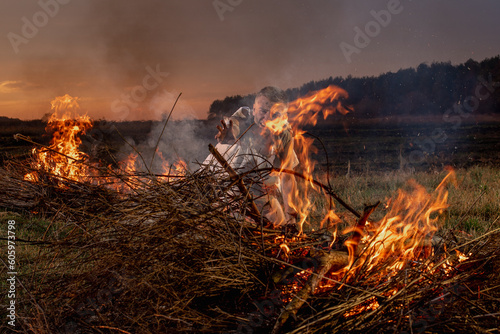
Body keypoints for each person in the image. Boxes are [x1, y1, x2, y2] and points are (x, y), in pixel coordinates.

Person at [205, 86, 299, 226]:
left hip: (257, 190)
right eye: (263, 111)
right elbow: (233, 125)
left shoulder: (283, 133)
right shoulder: (243, 117)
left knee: (279, 226)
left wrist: (291, 216)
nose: (267, 118)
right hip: (226, 182)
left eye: (275, 114)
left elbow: (287, 176)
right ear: (254, 108)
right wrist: (227, 136)